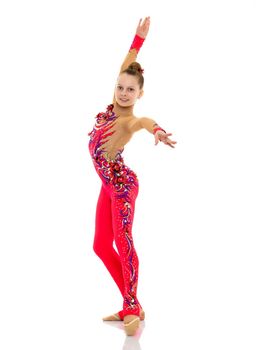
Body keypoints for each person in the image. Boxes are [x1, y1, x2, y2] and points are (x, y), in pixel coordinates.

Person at [87, 16, 177, 336]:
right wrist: (137, 42)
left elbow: (145, 122)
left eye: (130, 90)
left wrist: (158, 130)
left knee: (122, 243)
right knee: (100, 245)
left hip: (122, 187)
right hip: (107, 185)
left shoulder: (127, 120)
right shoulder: (113, 106)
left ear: (139, 94)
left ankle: (132, 304)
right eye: (120, 87)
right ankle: (130, 304)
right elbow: (128, 63)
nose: (124, 93)